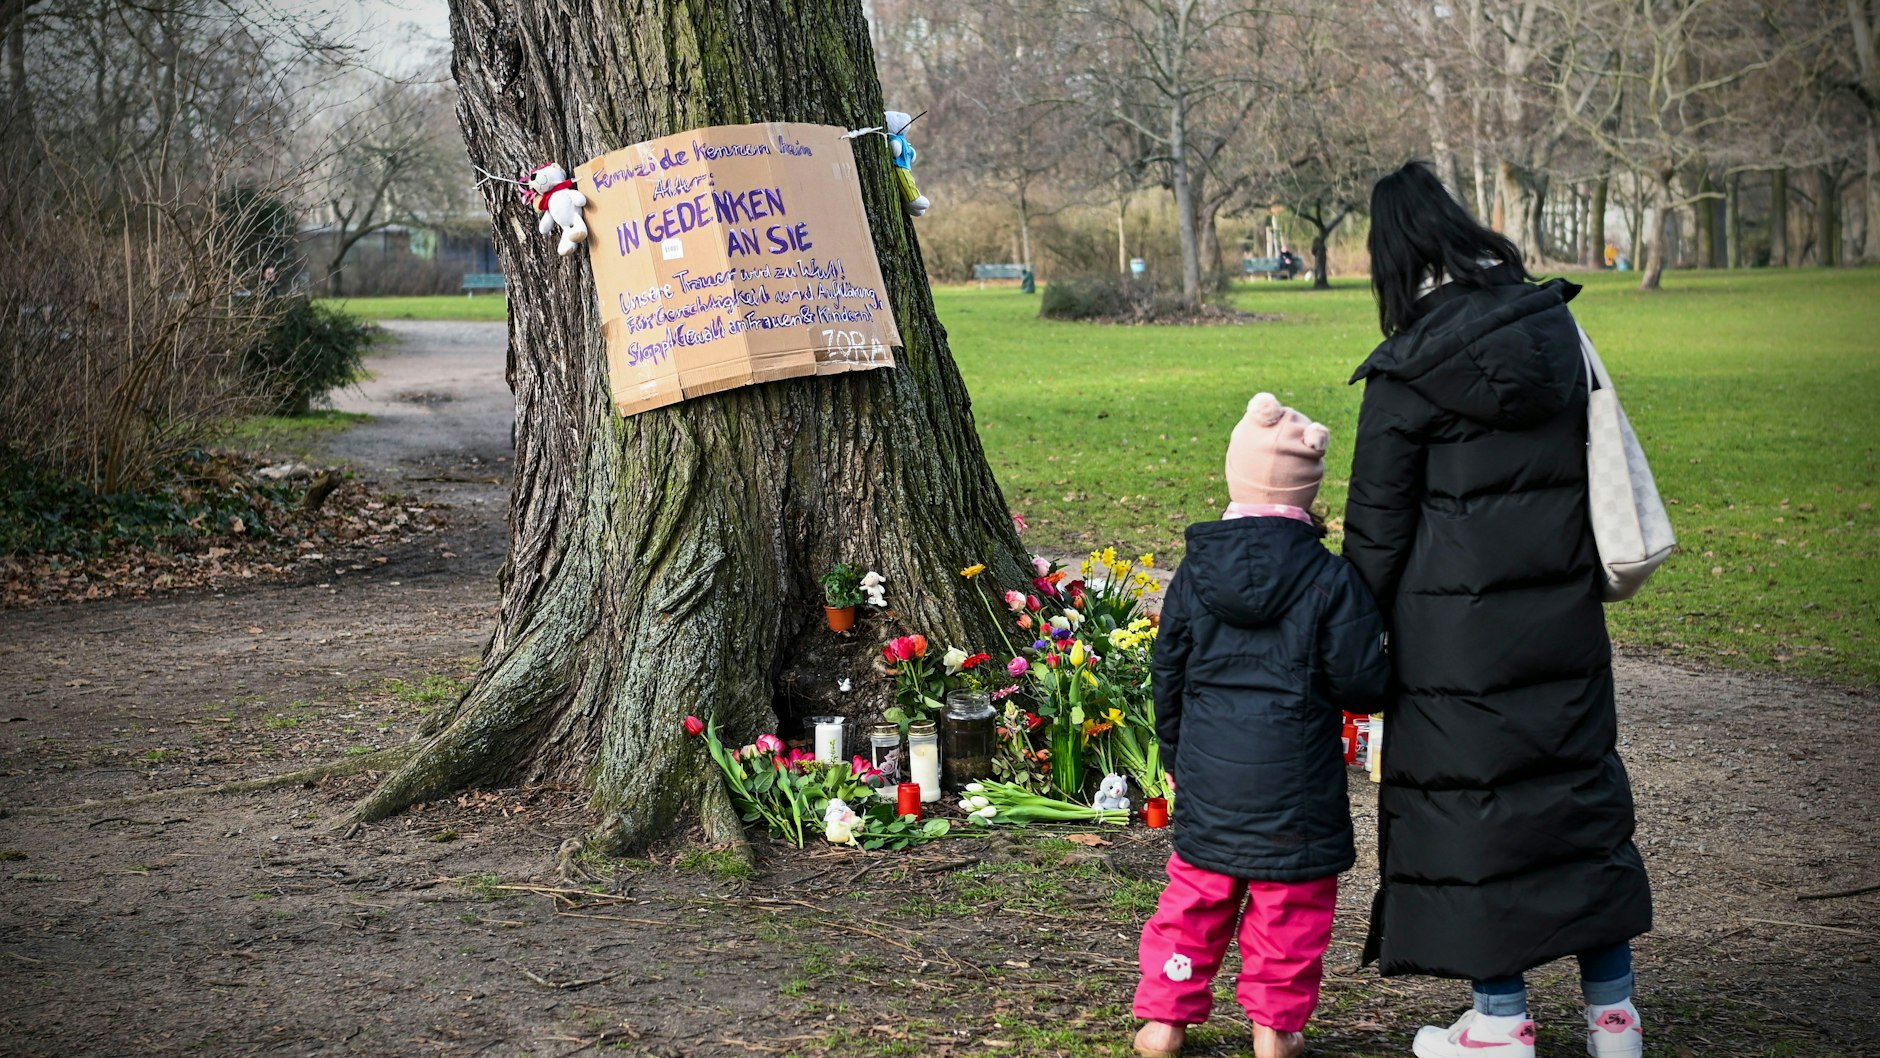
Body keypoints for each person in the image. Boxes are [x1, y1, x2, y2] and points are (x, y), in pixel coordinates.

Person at [1343, 160, 1651, 1058]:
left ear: (1392, 257)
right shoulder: (1555, 326)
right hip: (1561, 616)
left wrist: (1350, 645)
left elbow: (1376, 532)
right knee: (1575, 803)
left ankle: (1501, 1018)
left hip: (1452, 645)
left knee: (1477, 811)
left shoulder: (1406, 372)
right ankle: (1614, 1016)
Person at [1133, 394, 1392, 1058]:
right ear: (1307, 492)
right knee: (1290, 909)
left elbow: (1169, 671)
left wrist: (1175, 750)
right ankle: (1274, 1030)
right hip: (1297, 781)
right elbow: (1361, 681)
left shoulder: (1194, 574)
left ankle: (1165, 1020)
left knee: (1196, 898)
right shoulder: (1331, 579)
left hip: (1210, 771)